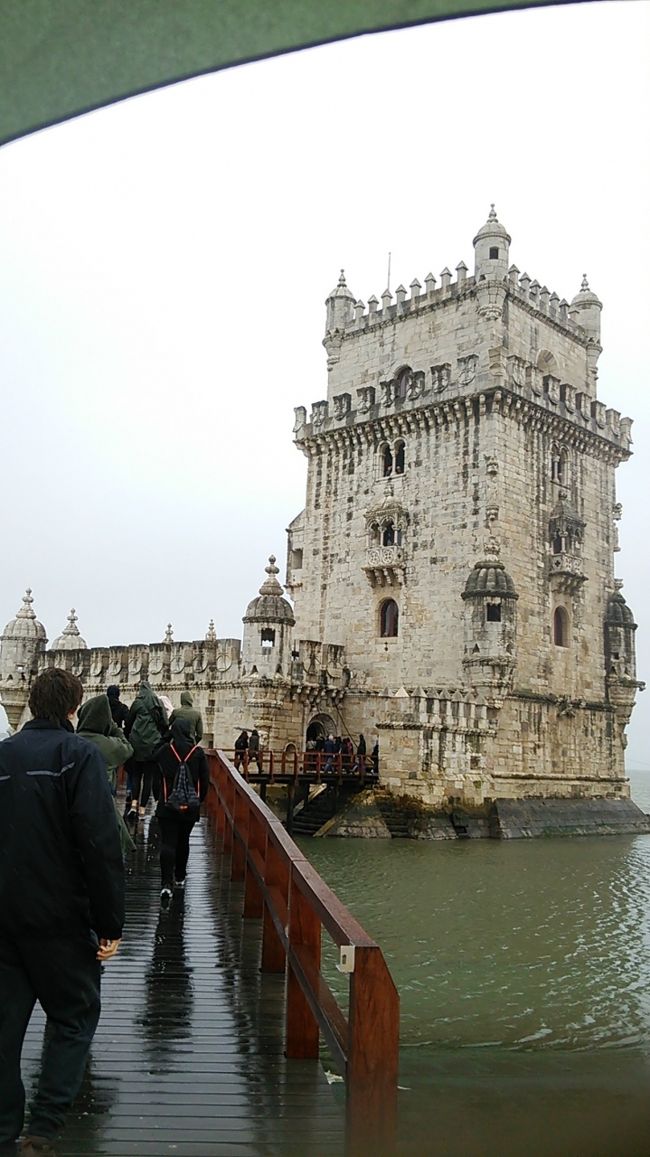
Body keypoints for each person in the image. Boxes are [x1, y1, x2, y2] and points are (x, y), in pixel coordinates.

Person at [0, 668, 124, 1157]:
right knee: (73, 1018)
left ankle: (4, 1128)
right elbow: (99, 843)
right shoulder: (79, 757)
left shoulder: (2, 756)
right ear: (74, 708)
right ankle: (44, 1127)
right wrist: (110, 922)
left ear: (30, 703)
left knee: (4, 1031)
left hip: (5, 918)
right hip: (62, 918)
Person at [154, 718, 209, 908]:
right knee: (183, 840)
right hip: (189, 807)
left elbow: (155, 770)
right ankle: (180, 876)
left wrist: (159, 797)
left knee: (168, 842)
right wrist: (198, 802)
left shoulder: (164, 752)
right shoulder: (198, 753)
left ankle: (165, 884)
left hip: (167, 805)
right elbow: (205, 779)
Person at [77, 694, 135, 856]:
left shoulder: (71, 741)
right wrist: (114, 727)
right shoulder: (108, 745)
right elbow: (127, 748)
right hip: (102, 807)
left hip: (74, 808)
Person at [124, 681, 169, 823]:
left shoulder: (137, 703)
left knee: (137, 775)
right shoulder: (157, 702)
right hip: (152, 745)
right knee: (148, 777)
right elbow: (165, 723)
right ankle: (143, 809)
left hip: (137, 744)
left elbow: (129, 721)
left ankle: (133, 806)